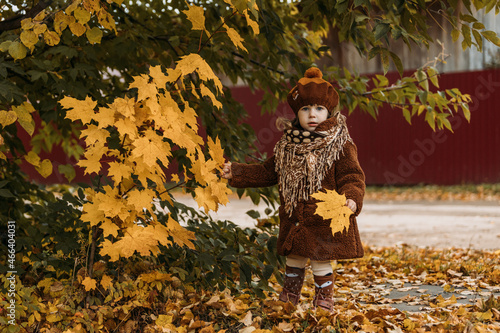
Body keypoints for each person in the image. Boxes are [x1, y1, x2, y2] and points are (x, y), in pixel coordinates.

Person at [221, 67, 365, 312]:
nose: (312, 114)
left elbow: (352, 176)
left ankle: (324, 301)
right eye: (305, 109)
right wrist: (236, 172)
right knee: (294, 259)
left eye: (319, 108)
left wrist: (352, 198)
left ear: (329, 111)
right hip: (295, 216)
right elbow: (268, 172)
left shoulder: (340, 143)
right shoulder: (286, 146)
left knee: (320, 260)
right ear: (297, 113)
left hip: (324, 216)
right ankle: (289, 299)